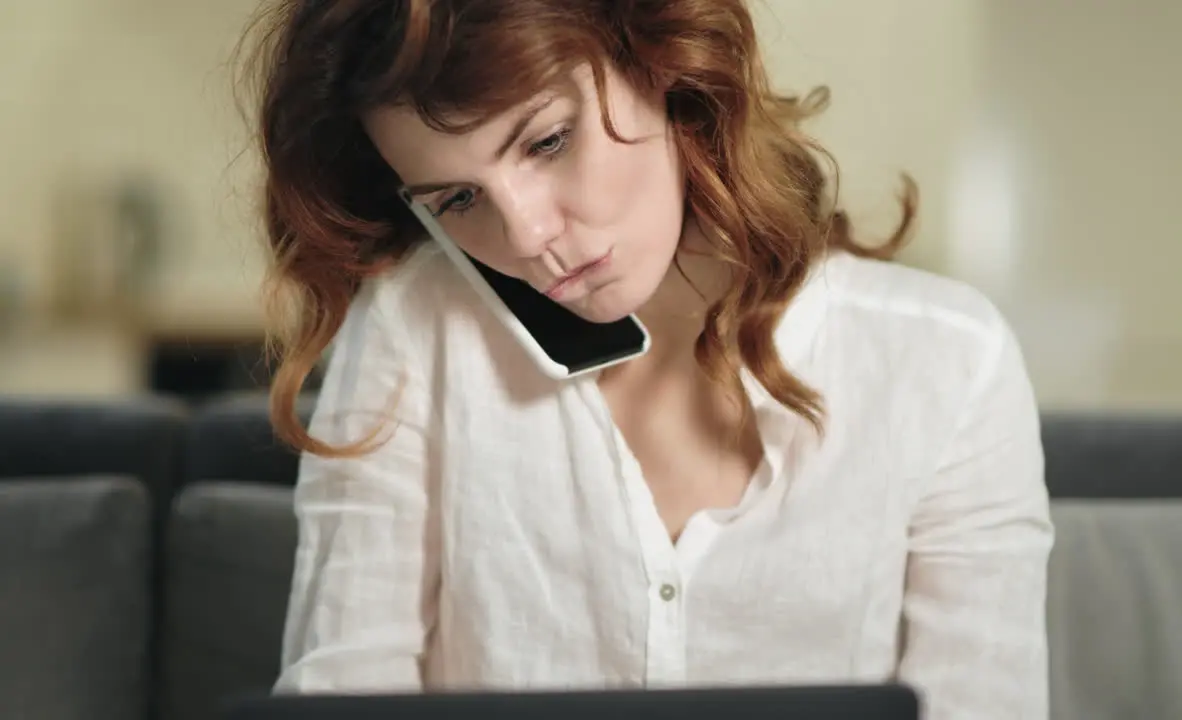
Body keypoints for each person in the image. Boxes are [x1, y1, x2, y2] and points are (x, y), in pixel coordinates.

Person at [239, 0, 1054, 717]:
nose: (526, 237)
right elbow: (343, 690)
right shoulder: (415, 331)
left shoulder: (948, 364)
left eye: (548, 141)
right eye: (458, 199)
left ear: (660, 59)